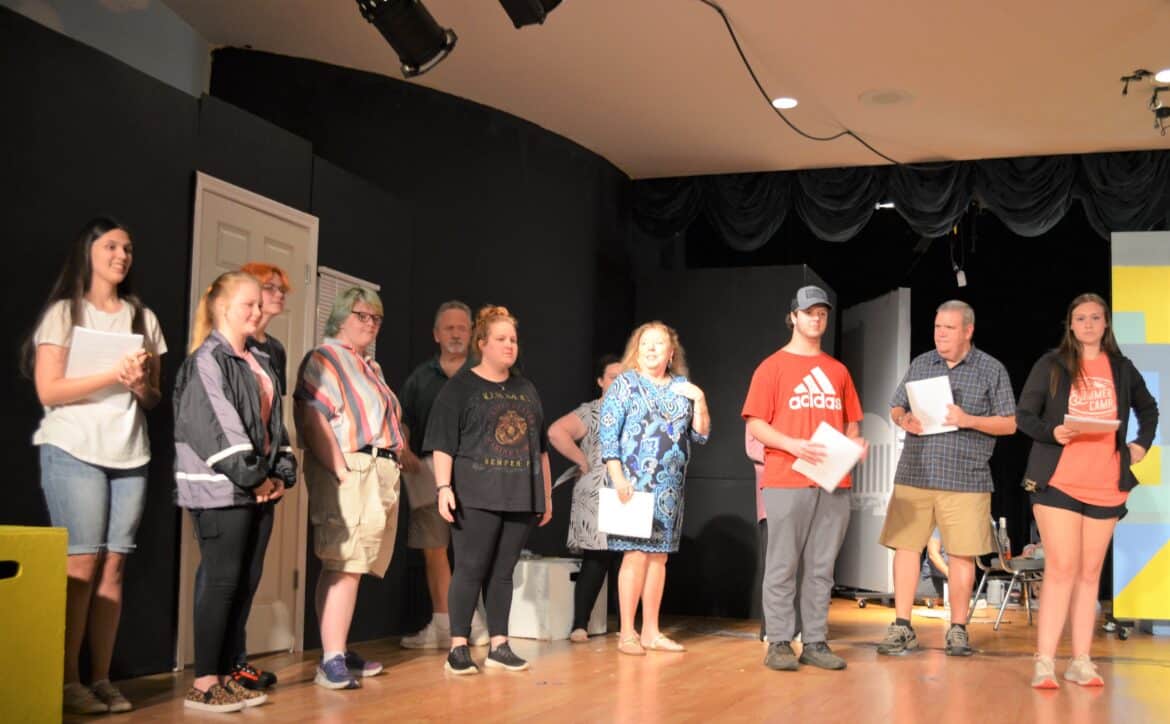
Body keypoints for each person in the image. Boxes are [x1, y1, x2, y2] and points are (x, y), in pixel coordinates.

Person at [24, 217, 166, 715]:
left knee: (115, 565)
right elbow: (49, 390)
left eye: (128, 248)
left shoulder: (142, 318)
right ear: (88, 251)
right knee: (81, 564)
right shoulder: (64, 313)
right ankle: (67, 681)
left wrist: (138, 384)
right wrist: (112, 373)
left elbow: (152, 397)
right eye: (111, 246)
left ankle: (101, 678)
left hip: (130, 453)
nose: (121, 255)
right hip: (73, 449)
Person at [1017, 293, 1158, 688]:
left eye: (1096, 317)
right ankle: (1045, 661)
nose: (1089, 324)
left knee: (1089, 572)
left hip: (1106, 482)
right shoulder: (1052, 364)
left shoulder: (1121, 367)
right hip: (1058, 480)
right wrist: (1054, 432)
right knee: (1062, 567)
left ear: (1106, 323)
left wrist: (1141, 445)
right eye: (1081, 318)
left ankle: (1081, 661)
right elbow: (1024, 416)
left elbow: (1148, 408)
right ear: (1071, 324)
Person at [173, 271, 296, 713]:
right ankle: (204, 681)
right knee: (222, 582)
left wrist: (280, 473)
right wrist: (253, 477)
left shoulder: (258, 359)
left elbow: (274, 423)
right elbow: (216, 427)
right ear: (223, 307)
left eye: (260, 304)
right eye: (250, 304)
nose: (259, 311)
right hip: (222, 490)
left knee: (244, 583)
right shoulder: (206, 360)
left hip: (256, 488)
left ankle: (226, 675)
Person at [877, 300, 1016, 657]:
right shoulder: (922, 363)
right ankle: (902, 625)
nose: (940, 334)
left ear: (968, 330)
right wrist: (903, 419)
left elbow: (1009, 423)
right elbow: (896, 405)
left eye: (949, 328)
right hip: (916, 472)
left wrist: (969, 419)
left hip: (966, 476)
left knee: (962, 553)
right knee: (906, 547)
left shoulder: (990, 369)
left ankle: (958, 630)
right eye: (937, 327)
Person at [742, 285, 865, 672]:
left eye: (822, 313)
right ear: (793, 317)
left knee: (822, 567)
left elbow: (852, 423)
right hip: (786, 476)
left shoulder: (838, 371)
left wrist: (854, 445)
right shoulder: (771, 367)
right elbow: (756, 423)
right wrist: (792, 445)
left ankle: (815, 641)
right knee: (782, 564)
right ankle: (779, 641)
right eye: (809, 312)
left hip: (832, 481)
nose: (816, 319)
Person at [425, 305, 553, 675]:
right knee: (469, 568)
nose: (509, 345)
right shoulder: (460, 387)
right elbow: (443, 443)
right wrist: (443, 487)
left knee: (503, 572)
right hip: (475, 494)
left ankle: (500, 645)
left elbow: (540, 449)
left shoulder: (526, 388)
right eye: (501, 339)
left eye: (513, 339)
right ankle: (458, 647)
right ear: (482, 343)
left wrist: (545, 495)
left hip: (520, 494)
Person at [294, 286, 404, 690]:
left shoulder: (370, 366)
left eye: (376, 318)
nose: (370, 323)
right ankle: (331, 659)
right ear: (341, 316)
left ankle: (336, 647)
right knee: (344, 562)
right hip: (351, 467)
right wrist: (340, 469)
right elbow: (312, 416)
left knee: (355, 564)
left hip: (378, 470)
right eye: (362, 315)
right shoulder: (325, 357)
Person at [601, 321, 710, 656]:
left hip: (668, 489)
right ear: (637, 349)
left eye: (658, 343)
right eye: (645, 343)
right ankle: (627, 633)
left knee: (658, 558)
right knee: (634, 556)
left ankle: (651, 631)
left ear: (671, 352)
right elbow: (608, 435)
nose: (651, 348)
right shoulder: (626, 384)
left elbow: (700, 436)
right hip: (632, 485)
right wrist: (618, 478)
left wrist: (700, 399)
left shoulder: (681, 387)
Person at [398, 301, 489, 649]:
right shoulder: (420, 377)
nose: (456, 334)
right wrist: (404, 448)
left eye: (462, 327)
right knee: (433, 549)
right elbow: (403, 419)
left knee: (471, 550)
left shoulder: (484, 371)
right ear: (436, 334)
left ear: (472, 333)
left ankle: (471, 622)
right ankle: (442, 625)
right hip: (426, 471)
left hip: (475, 471)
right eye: (449, 328)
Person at [548, 354, 623, 642]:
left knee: (629, 559)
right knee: (597, 558)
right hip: (599, 492)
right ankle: (580, 624)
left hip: (628, 491)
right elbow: (556, 432)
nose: (619, 383)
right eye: (613, 377)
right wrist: (583, 460)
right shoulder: (592, 411)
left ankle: (627, 625)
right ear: (601, 381)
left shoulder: (636, 411)